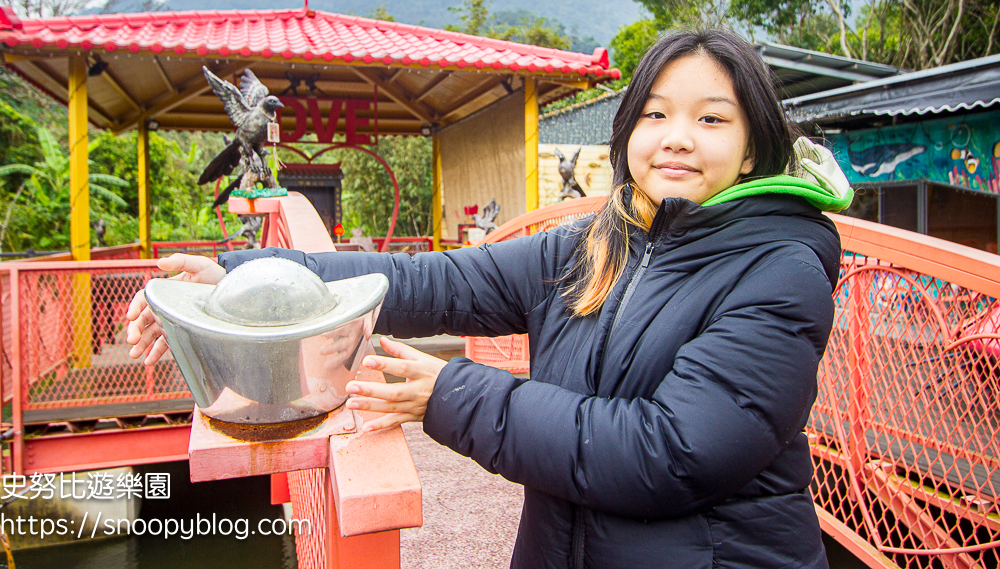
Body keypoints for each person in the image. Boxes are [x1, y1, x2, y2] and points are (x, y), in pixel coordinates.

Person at [126, 29, 852, 569]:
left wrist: (451, 392)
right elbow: (436, 282)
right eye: (656, 115)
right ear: (629, 131)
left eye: (712, 119)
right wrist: (242, 280)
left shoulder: (779, 267)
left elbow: (667, 453)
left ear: (755, 146)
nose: (677, 139)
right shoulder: (601, 241)